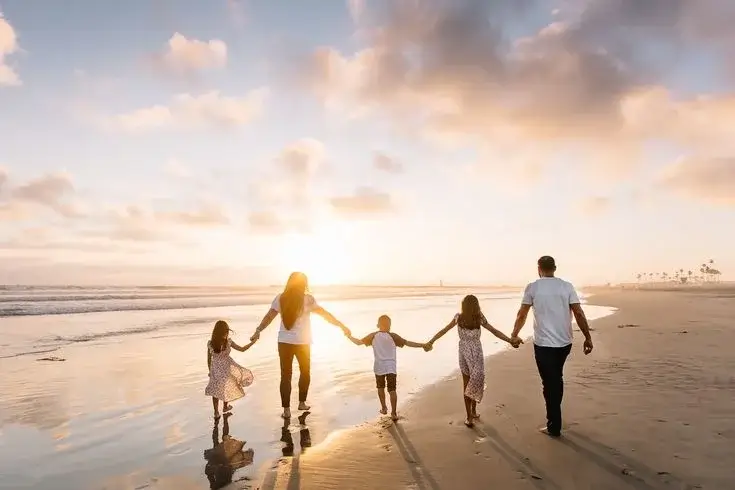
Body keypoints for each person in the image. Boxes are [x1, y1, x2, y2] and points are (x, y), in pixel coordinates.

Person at [510, 255, 593, 438]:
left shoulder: (533, 287)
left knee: (550, 382)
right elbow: (578, 312)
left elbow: (522, 314)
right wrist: (588, 337)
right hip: (564, 343)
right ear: (554, 268)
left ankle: (554, 425)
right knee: (555, 378)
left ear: (539, 268)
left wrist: (514, 334)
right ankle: (555, 419)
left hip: (543, 344)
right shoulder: (566, 286)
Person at [250, 272, 351, 418]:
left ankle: (286, 410)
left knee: (285, 375)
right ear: (304, 284)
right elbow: (325, 315)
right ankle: (301, 402)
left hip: (284, 342)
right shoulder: (308, 300)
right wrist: (341, 325)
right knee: (305, 372)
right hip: (303, 342)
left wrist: (258, 330)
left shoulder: (281, 298)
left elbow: (269, 316)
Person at [426, 295, 521, 428]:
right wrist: (509, 340)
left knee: (469, 382)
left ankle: (471, 415)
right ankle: (471, 414)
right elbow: (494, 331)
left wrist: (431, 341)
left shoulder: (468, 317)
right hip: (474, 351)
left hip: (465, 351)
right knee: (475, 380)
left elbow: (444, 330)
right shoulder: (473, 317)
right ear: (476, 305)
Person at [347, 314, 427, 421]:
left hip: (379, 366)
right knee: (392, 390)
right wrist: (423, 345)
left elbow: (358, 342)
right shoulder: (393, 336)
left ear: (378, 325)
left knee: (380, 388)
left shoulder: (373, 336)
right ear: (389, 325)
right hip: (391, 367)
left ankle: (384, 408)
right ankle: (393, 413)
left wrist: (349, 336)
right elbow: (408, 343)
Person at [205, 320, 255, 418]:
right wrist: (252, 343)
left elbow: (208, 359)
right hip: (225, 369)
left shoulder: (211, 343)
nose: (227, 333)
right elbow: (242, 349)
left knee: (215, 390)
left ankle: (216, 412)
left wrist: (210, 371)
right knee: (225, 387)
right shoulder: (228, 342)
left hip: (215, 370)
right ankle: (225, 407)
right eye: (226, 331)